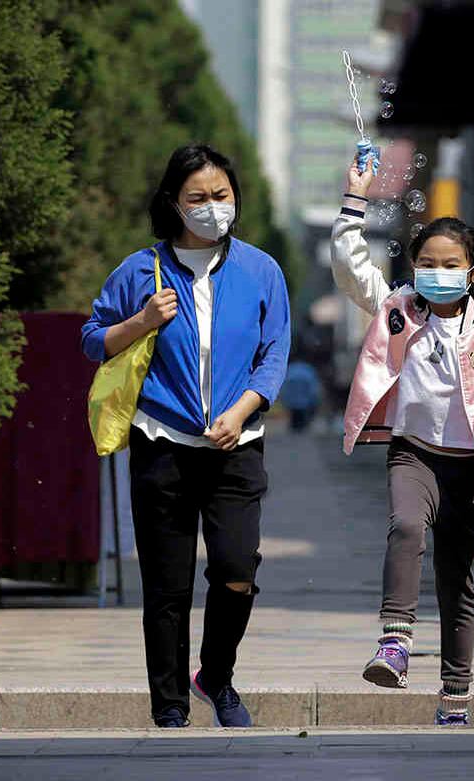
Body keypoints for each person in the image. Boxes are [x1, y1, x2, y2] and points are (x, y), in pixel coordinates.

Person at [331, 151, 474, 726]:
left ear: (472, 271)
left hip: (466, 467)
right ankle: (394, 643)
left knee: (458, 582)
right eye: (427, 263)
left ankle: (455, 696)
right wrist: (355, 199)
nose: (437, 272)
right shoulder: (398, 310)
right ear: (413, 266)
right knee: (406, 526)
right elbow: (351, 268)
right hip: (412, 453)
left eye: (450, 264)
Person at [81, 143, 290, 728]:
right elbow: (93, 340)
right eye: (197, 197)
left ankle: (216, 675)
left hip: (235, 446)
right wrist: (142, 320)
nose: (211, 206)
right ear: (173, 203)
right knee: (167, 587)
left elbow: (274, 352)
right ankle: (169, 707)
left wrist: (243, 410)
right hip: (161, 445)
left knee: (236, 568)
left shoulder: (261, 270)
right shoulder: (138, 270)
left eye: (221, 195)